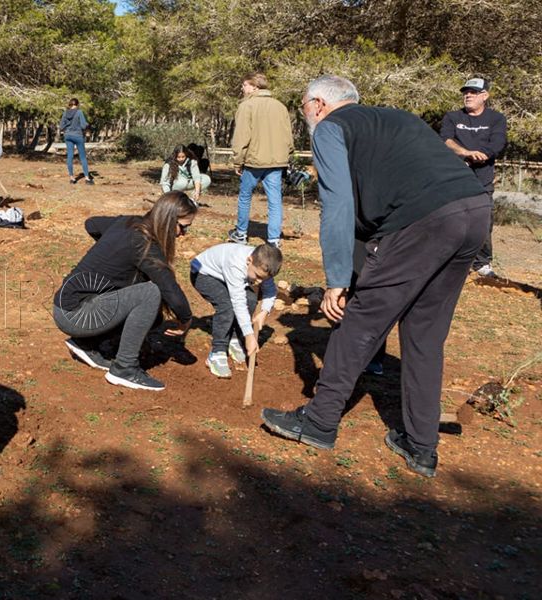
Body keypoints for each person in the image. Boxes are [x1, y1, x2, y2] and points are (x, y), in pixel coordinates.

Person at [261, 75, 491, 479]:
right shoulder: (397, 119)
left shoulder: (331, 128)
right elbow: (372, 213)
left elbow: (337, 205)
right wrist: (353, 271)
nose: (305, 116)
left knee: (360, 323)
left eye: (303, 107)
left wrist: (336, 281)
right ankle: (421, 447)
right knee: (424, 336)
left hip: (424, 221)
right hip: (473, 212)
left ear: (318, 104)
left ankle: (317, 422)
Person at [52, 192, 199, 391]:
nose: (183, 234)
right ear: (168, 219)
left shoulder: (128, 222)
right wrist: (186, 319)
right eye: (184, 226)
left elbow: (92, 224)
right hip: (75, 315)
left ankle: (86, 343)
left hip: (67, 305)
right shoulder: (145, 245)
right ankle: (125, 368)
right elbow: (170, 290)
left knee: (149, 309)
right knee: (151, 293)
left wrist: (112, 254)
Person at [440, 76, 508, 278]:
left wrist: (483, 154)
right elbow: (446, 140)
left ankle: (482, 263)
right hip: (455, 178)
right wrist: (466, 153)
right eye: (465, 92)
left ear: (484, 96)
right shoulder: (453, 117)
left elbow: (498, 142)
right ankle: (447, 259)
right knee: (450, 218)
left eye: (473, 92)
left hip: (482, 180)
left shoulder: (496, 119)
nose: (467, 95)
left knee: (483, 222)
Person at [191, 242, 281, 378]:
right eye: (257, 276)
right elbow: (238, 302)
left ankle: (234, 339)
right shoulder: (236, 263)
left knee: (250, 299)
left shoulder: (263, 265)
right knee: (226, 305)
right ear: (249, 261)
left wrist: (264, 312)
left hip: (224, 275)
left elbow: (270, 291)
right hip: (203, 273)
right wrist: (249, 336)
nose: (259, 282)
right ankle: (217, 352)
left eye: (263, 279)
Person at [229, 72, 293, 246]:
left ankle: (241, 233)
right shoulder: (280, 106)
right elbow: (288, 135)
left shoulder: (247, 106)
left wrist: (238, 160)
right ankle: (273, 239)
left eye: (245, 85)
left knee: (245, 196)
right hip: (277, 161)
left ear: (255, 87)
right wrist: (287, 154)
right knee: (275, 200)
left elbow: (242, 136)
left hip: (254, 160)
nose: (242, 88)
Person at [59, 98, 92, 185]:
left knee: (70, 156)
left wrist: (67, 126)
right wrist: (88, 125)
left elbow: (61, 126)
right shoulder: (79, 112)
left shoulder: (65, 113)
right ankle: (87, 178)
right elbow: (83, 125)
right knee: (83, 157)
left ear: (70, 104)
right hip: (78, 135)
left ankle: (72, 178)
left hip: (68, 136)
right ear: (77, 104)